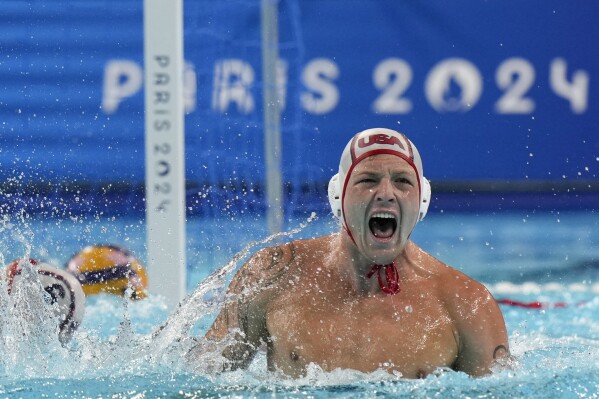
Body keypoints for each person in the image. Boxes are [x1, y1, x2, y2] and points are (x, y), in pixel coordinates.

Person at [193, 128, 509, 378]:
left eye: (402, 181)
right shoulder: (273, 275)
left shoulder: (466, 304)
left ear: (421, 200)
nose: (386, 193)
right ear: (338, 197)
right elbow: (197, 380)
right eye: (368, 180)